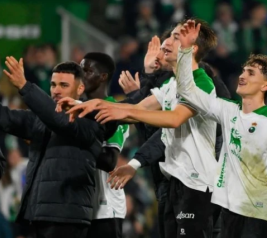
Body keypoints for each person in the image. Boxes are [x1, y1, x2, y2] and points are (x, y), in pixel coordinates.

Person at [66, 18, 219, 238]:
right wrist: (88, 106)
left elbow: (174, 118)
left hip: (196, 185)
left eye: (176, 37)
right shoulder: (171, 84)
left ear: (191, 47)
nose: (166, 41)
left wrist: (124, 111)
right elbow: (134, 109)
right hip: (174, 182)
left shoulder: (202, 83)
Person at [173, 20, 267, 238]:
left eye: (251, 73)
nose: (242, 75)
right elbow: (187, 90)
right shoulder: (228, 110)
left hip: (259, 217)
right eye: (243, 71)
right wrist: (186, 51)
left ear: (265, 85)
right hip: (229, 214)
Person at [1, 58, 105, 238]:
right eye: (53, 84)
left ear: (80, 89)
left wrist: (25, 86)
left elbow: (62, 122)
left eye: (64, 85)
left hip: (66, 216)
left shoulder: (91, 117)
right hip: (37, 214)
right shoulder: (40, 119)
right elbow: (7, 118)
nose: (56, 90)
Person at [79, 52, 130, 238]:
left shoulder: (115, 112)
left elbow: (109, 160)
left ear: (103, 77)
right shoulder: (78, 107)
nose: (82, 75)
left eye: (88, 71)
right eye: (80, 70)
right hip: (80, 206)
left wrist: (77, 137)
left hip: (105, 209)